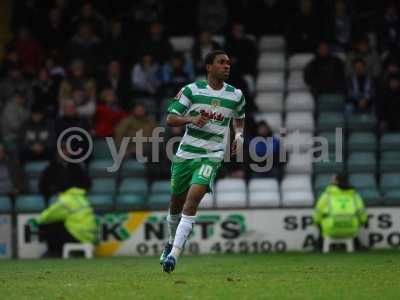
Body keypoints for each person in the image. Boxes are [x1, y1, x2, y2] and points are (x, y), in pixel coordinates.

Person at [161, 50, 245, 273]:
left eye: (228, 63)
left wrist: (238, 136)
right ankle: (171, 240)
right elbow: (170, 118)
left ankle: (174, 256)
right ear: (209, 67)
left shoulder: (236, 95)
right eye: (221, 62)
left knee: (193, 199)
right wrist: (191, 118)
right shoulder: (191, 90)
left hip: (212, 155)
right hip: (186, 155)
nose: (227, 66)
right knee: (175, 204)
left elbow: (239, 117)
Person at [37, 187, 97, 258]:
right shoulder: (81, 198)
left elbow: (44, 218)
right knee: (60, 223)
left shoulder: (65, 201)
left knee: (49, 225)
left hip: (78, 235)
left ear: (59, 192)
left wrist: (38, 219)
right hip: (90, 237)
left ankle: (54, 252)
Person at [313, 173, 367, 248]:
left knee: (321, 222)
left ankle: (319, 246)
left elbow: (318, 211)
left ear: (336, 181)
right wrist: (363, 221)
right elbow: (361, 211)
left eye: (332, 180)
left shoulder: (327, 194)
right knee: (355, 221)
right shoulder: (354, 194)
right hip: (351, 228)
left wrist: (316, 222)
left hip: (331, 228)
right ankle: (357, 245)